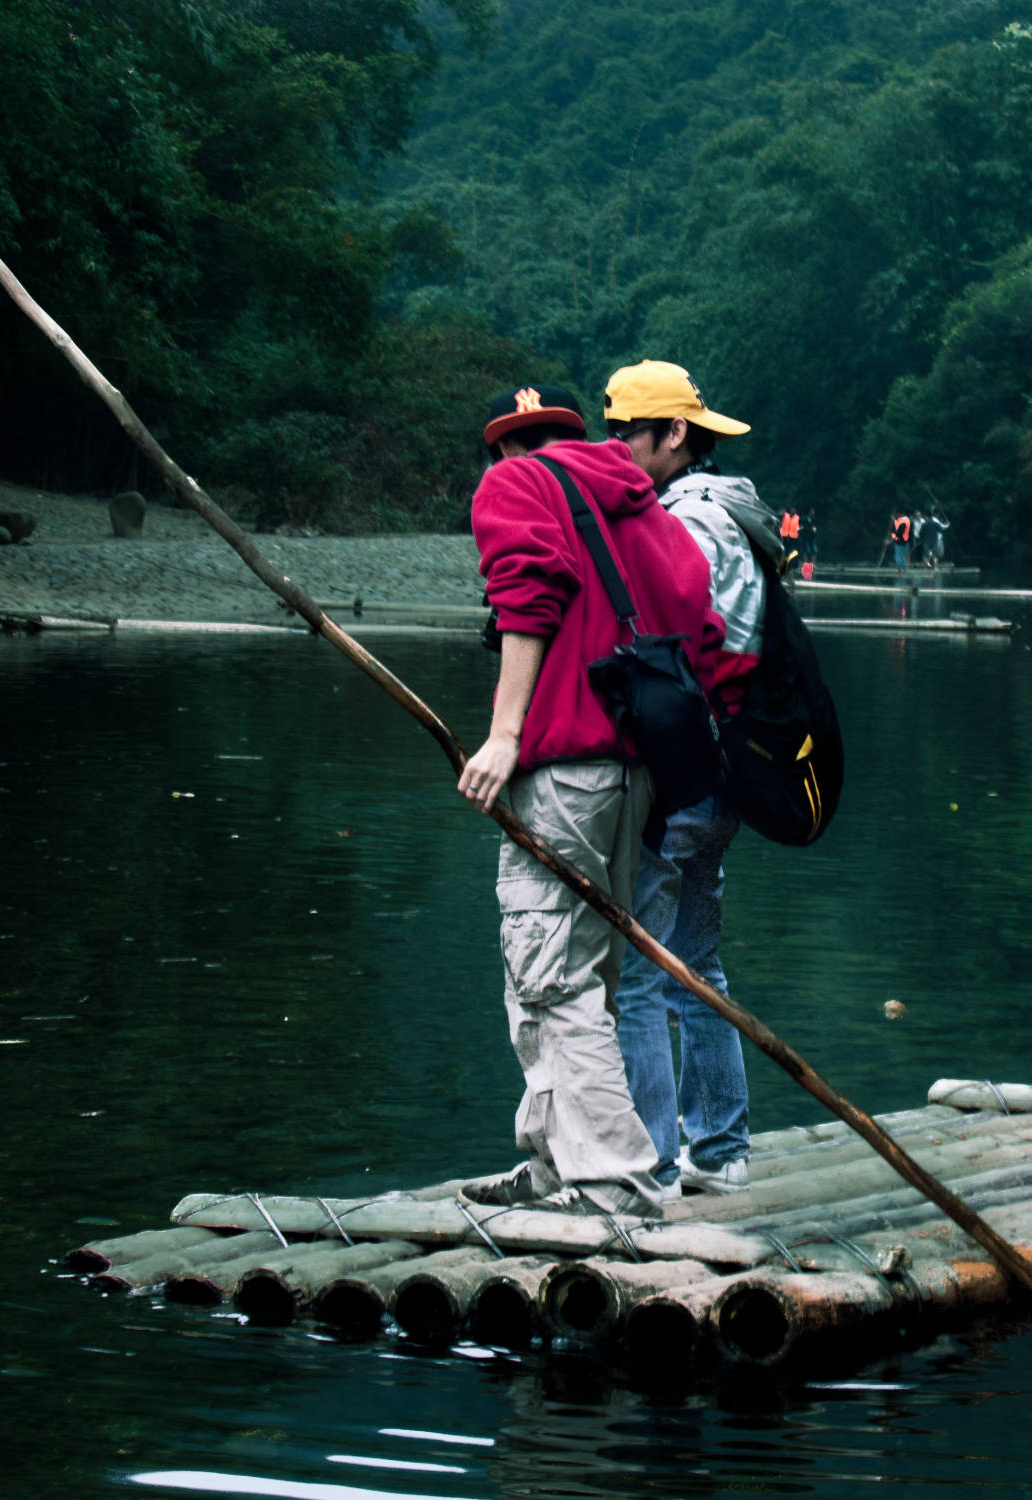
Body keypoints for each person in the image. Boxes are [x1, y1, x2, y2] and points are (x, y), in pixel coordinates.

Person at [456, 382, 725, 1218]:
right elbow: (698, 628)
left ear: (504, 448)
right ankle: (550, 1161)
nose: (516, 453)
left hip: (562, 772)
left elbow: (525, 600)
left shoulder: (515, 485)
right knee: (578, 978)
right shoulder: (645, 509)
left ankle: (612, 1177)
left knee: (552, 977)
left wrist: (504, 735)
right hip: (635, 780)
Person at [603, 358, 779, 1199]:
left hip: (680, 772)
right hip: (724, 772)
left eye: (627, 432)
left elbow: (675, 643)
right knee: (695, 962)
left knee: (639, 969)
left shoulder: (686, 523)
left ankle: (653, 1165)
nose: (614, 447)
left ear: (675, 434)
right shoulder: (736, 516)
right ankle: (720, 1150)